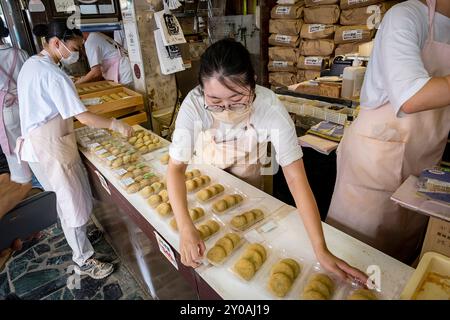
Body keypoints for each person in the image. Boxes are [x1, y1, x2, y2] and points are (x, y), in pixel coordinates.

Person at [167, 39, 368, 284]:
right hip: (209, 164)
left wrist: (320, 248)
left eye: (237, 99)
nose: (227, 109)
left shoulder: (270, 108)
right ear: (202, 90)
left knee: (244, 228)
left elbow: (295, 178)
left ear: (253, 84)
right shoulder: (194, 105)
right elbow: (176, 168)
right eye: (216, 102)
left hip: (248, 166)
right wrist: (186, 227)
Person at [327, 0, 450, 264]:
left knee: (399, 258)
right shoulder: (405, 17)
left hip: (422, 163)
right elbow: (412, 96)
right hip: (376, 163)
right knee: (355, 256)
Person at [16, 21, 134, 279]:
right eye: (74, 47)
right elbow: (84, 117)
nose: (77, 53)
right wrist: (116, 125)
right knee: (70, 202)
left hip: (43, 144)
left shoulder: (33, 64)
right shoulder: (53, 74)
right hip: (51, 148)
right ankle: (83, 259)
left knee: (69, 199)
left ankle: (81, 240)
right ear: (56, 43)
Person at [0, 17, 32, 185]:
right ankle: (40, 175)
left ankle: (24, 181)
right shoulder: (19, 53)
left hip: (5, 110)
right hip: (27, 104)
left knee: (14, 149)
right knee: (32, 140)